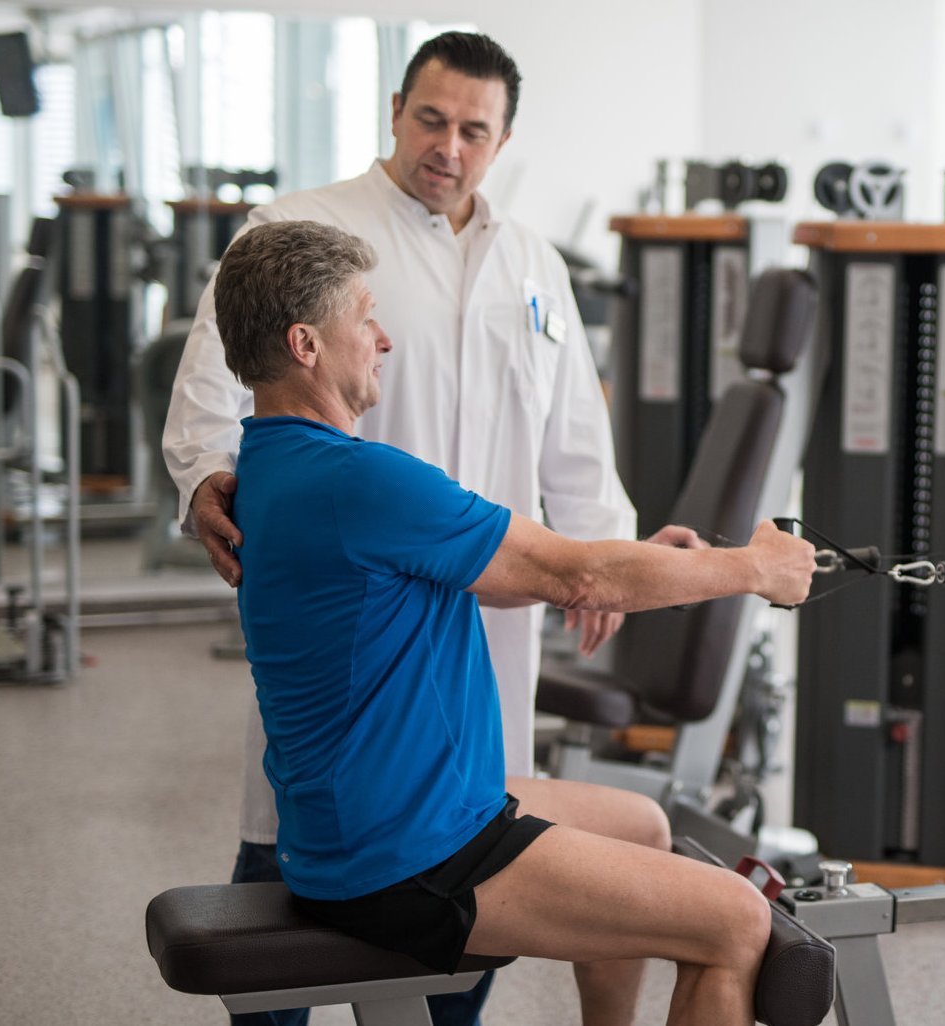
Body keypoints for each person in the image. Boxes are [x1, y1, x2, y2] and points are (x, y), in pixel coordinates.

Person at [162, 32, 655, 1025]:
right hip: (355, 611)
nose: (449, 146)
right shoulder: (303, 229)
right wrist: (212, 479)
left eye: (475, 129)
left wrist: (603, 550)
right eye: (431, 119)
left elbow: (572, 431)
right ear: (395, 110)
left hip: (492, 601)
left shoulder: (530, 262)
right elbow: (211, 393)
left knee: (474, 853)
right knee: (294, 834)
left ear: (503, 138)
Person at [216, 219, 814, 1026]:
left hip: (385, 810)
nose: (384, 338)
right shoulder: (360, 482)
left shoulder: (268, 468)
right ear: (307, 344)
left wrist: (628, 560)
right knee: (736, 920)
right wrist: (756, 568)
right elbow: (576, 575)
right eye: (365, 318)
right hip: (410, 854)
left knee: (643, 823)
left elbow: (517, 575)